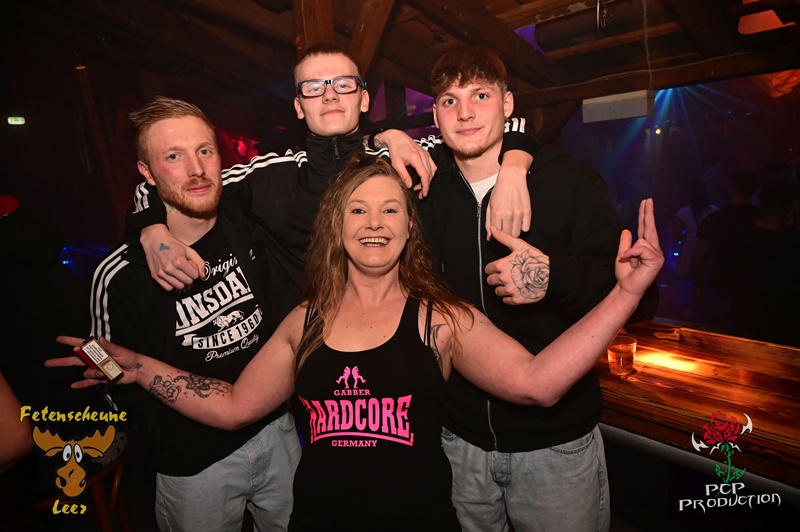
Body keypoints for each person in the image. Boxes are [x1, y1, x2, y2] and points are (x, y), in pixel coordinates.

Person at [51, 155, 664, 531]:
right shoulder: (305, 321)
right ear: (336, 227)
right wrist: (137, 367)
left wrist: (624, 295)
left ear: (409, 228)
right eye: (358, 211)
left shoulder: (439, 320)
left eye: (390, 211)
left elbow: (538, 383)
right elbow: (234, 404)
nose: (374, 223)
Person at [416, 45, 658, 531]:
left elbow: (642, 297)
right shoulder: (423, 190)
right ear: (436, 115)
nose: (465, 113)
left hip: (555, 448)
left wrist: (555, 278)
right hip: (458, 444)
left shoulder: (567, 181)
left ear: (507, 104)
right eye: (449, 100)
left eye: (480, 95)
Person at [128, 43, 537, 298]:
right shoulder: (270, 177)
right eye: (313, 88)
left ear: (363, 99)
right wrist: (152, 231)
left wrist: (514, 169)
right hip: (316, 358)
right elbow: (181, 183)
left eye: (343, 84)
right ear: (298, 107)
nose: (329, 95)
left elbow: (500, 127)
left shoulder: (411, 157)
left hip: (411, 341)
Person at [90, 97, 301, 531]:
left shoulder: (248, 221)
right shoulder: (119, 274)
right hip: (192, 466)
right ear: (147, 173)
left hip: (277, 432)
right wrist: (158, 432)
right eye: (173, 156)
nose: (196, 169)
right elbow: (102, 361)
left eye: (204, 151)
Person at [692, 170, 759, 331]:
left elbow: (700, 256)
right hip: (753, 289)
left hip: (720, 285)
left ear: (732, 188)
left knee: (711, 336)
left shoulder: (716, 218)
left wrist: (698, 286)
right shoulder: (762, 217)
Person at [672, 179, 717, 279]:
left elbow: (675, 235)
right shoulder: (714, 210)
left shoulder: (683, 212)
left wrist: (686, 237)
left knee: (685, 281)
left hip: (688, 250)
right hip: (708, 250)